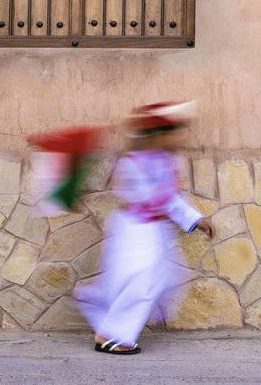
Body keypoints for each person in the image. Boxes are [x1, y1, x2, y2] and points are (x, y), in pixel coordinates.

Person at [75, 101, 214, 355]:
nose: (179, 138)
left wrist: (195, 219)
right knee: (140, 282)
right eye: (173, 132)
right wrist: (175, 210)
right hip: (135, 231)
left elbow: (170, 198)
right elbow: (148, 197)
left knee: (161, 280)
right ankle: (110, 334)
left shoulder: (167, 162)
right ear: (158, 136)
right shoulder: (131, 163)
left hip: (154, 232)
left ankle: (102, 312)